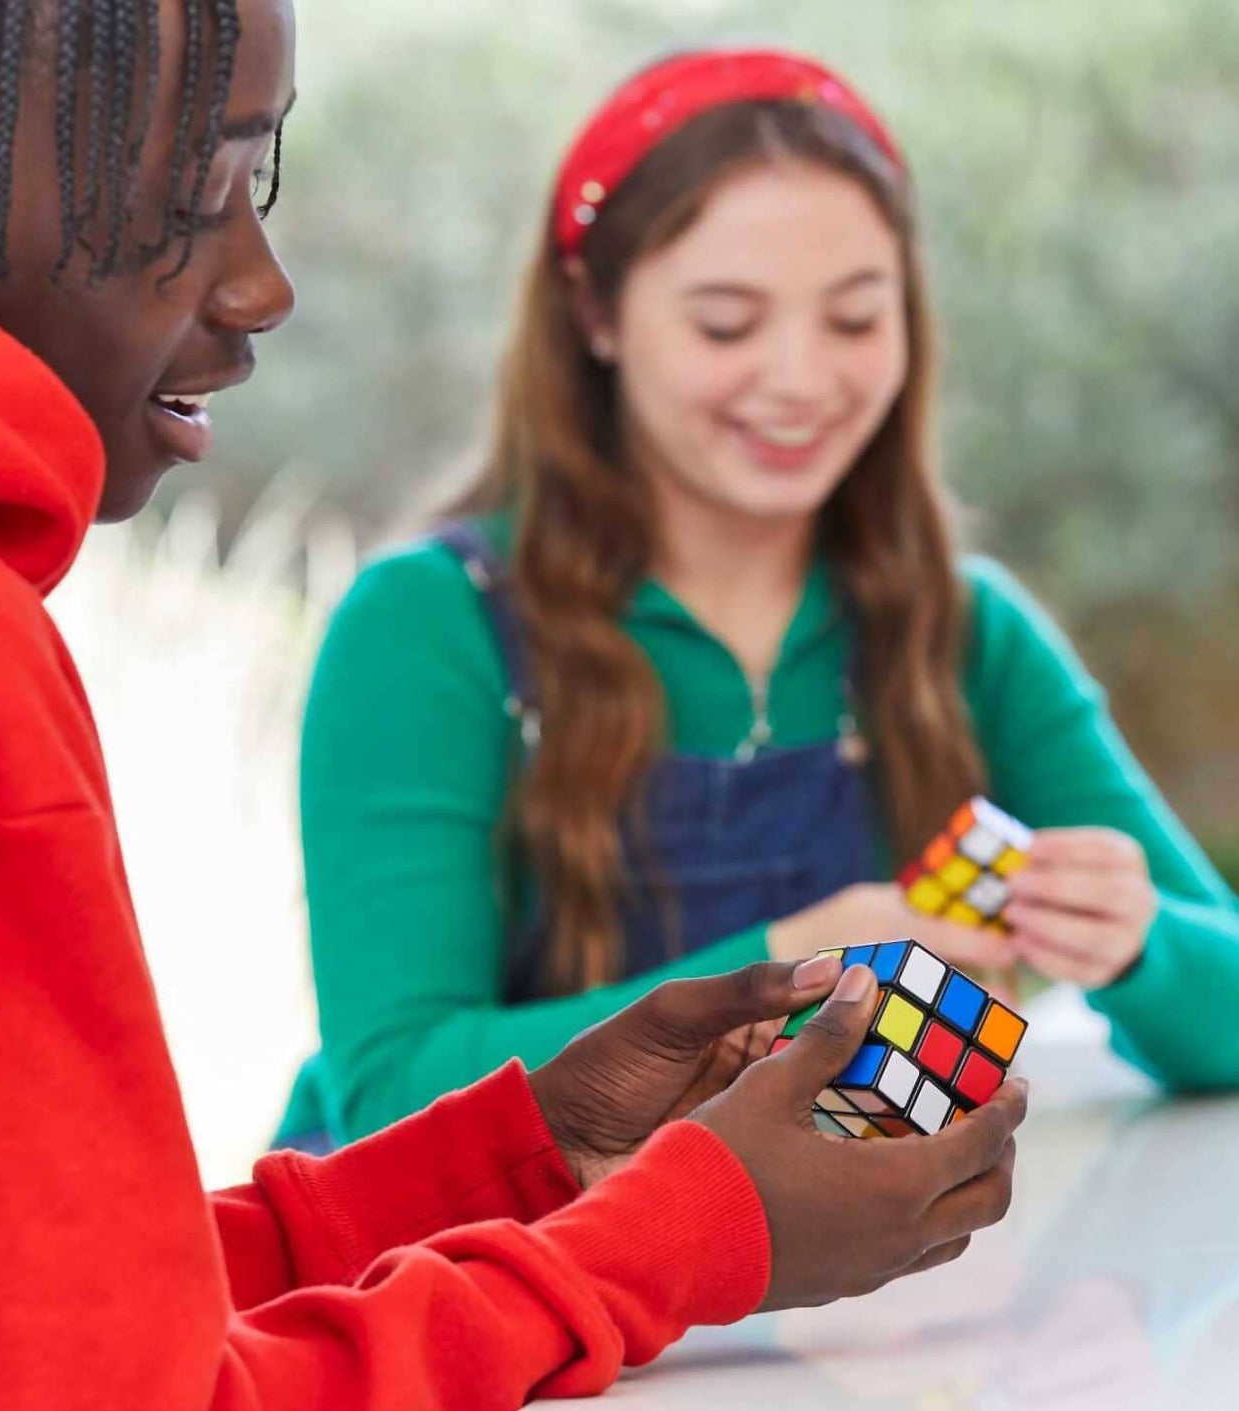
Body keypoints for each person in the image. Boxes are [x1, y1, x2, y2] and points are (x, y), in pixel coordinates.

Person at [0, 7, 1027, 1411]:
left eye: (259, 189)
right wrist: (685, 1233)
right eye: (198, 201)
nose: (262, 289)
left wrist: (528, 1157)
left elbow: (7, 1326)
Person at [285, 47, 1239, 1147]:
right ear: (593, 316)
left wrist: (1135, 943)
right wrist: (779, 967)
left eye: (852, 318)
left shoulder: (965, 631)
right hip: (457, 1296)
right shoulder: (424, 628)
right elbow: (388, 1098)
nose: (797, 378)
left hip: (813, 1293)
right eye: (726, 323)